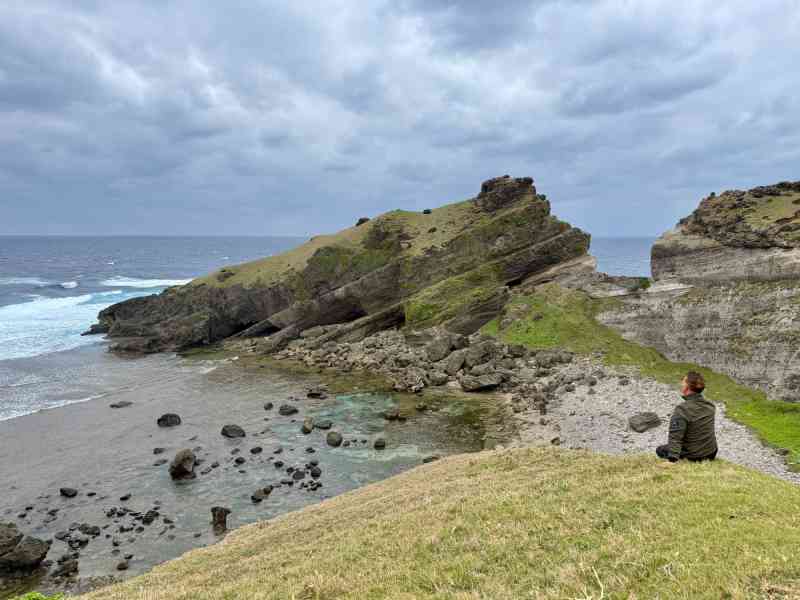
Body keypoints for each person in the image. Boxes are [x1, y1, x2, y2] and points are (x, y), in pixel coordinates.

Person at [656, 371, 717, 462]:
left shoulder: (682, 410)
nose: (681, 384)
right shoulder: (710, 406)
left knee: (660, 450)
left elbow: (676, 436)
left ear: (687, 387)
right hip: (711, 452)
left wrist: (672, 459)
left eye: (683, 382)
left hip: (694, 456)